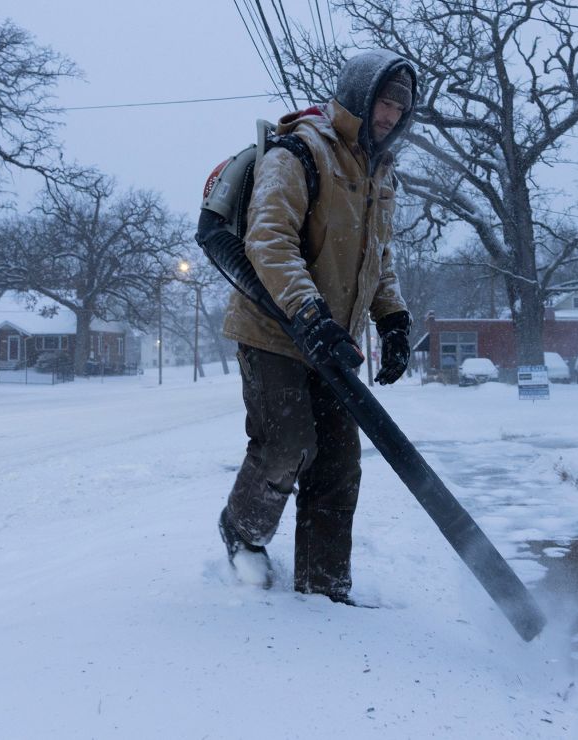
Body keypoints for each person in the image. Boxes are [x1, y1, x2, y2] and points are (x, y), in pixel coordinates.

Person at [218, 50, 416, 602]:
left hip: (332, 343)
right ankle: (243, 532)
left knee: (337, 465)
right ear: (358, 93)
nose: (390, 115)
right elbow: (269, 241)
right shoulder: (300, 151)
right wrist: (310, 312)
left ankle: (325, 590)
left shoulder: (381, 172)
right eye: (384, 100)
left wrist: (392, 319)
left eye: (401, 106)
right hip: (275, 331)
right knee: (287, 445)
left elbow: (378, 257)